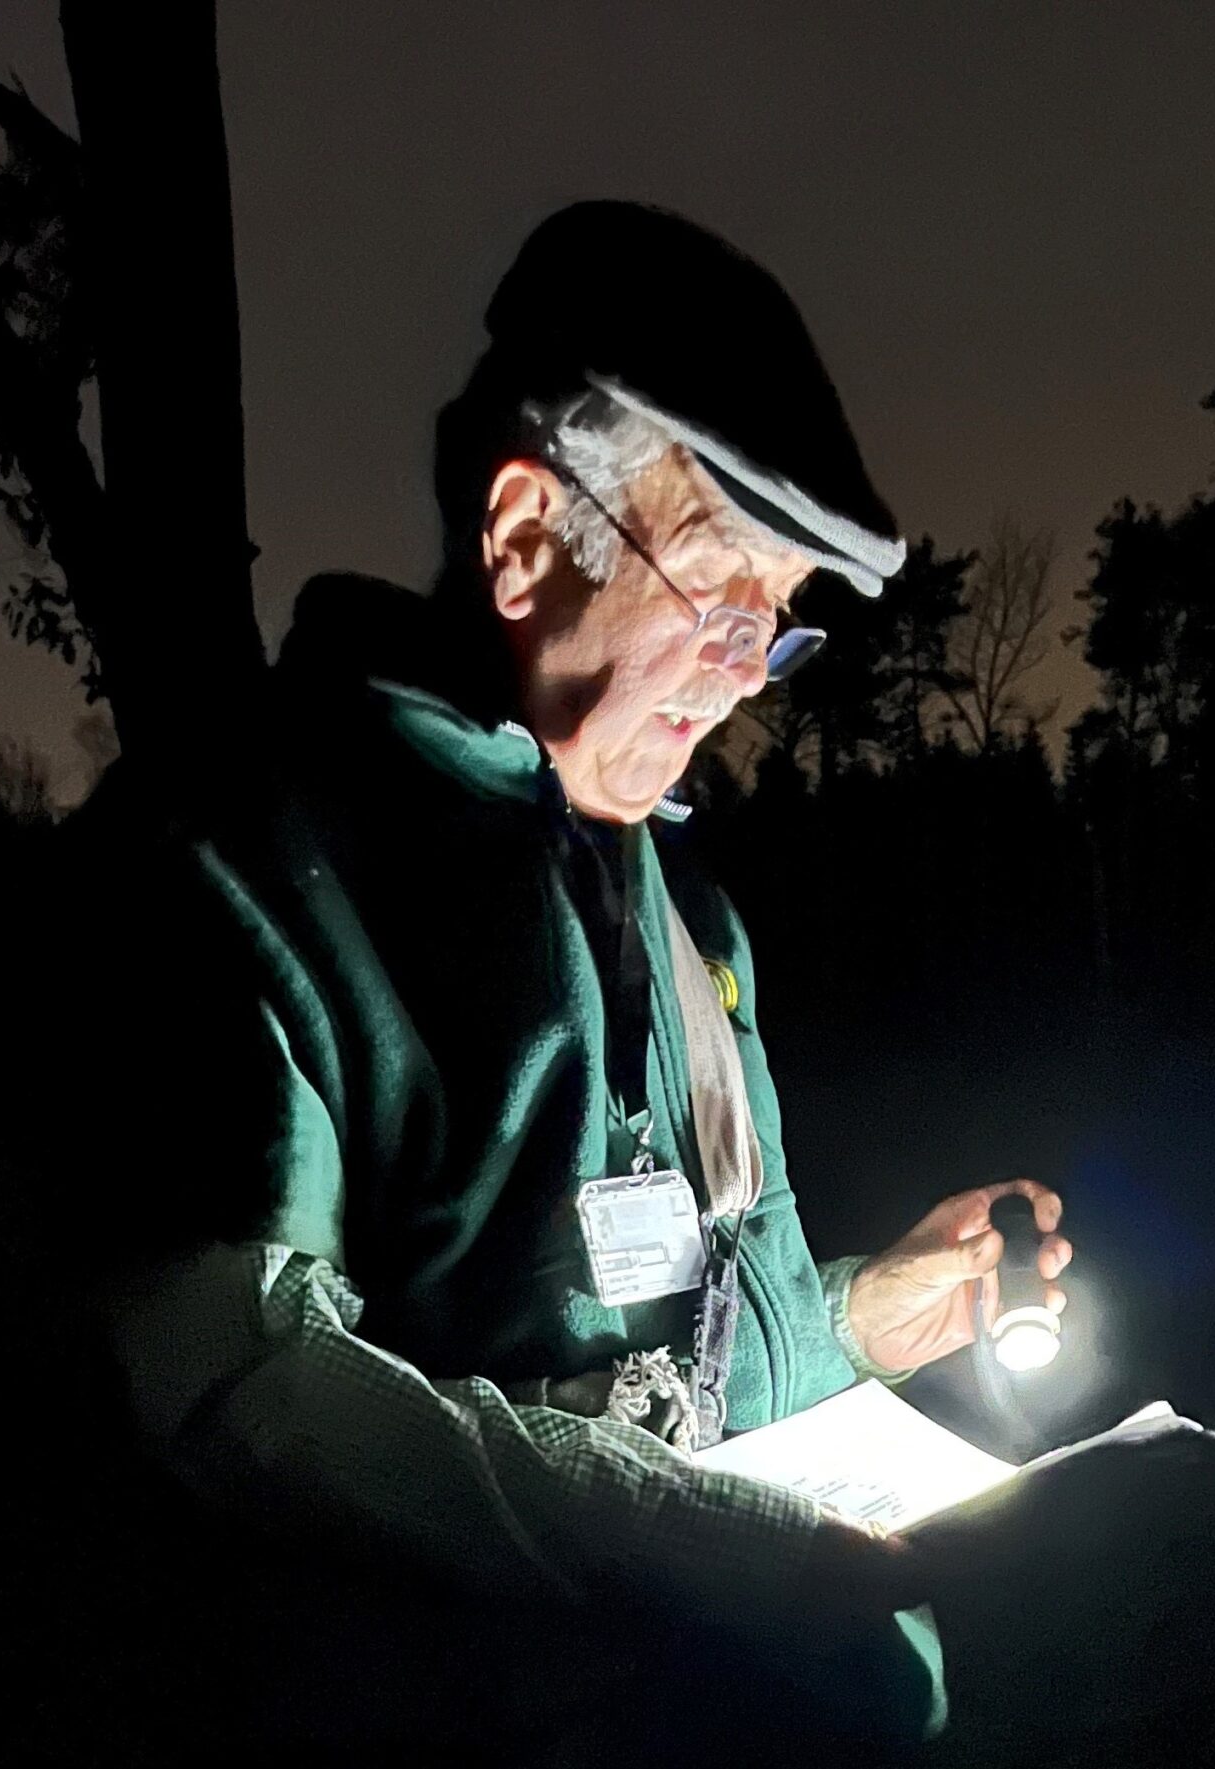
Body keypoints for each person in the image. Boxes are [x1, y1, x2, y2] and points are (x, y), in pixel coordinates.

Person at [77, 201, 1072, 1752]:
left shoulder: (683, 899)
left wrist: (855, 1315)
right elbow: (244, 1391)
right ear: (527, 537)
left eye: (779, 628)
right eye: (724, 598)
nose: (747, 679)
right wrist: (695, 1542)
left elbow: (665, 1317)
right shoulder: (239, 861)